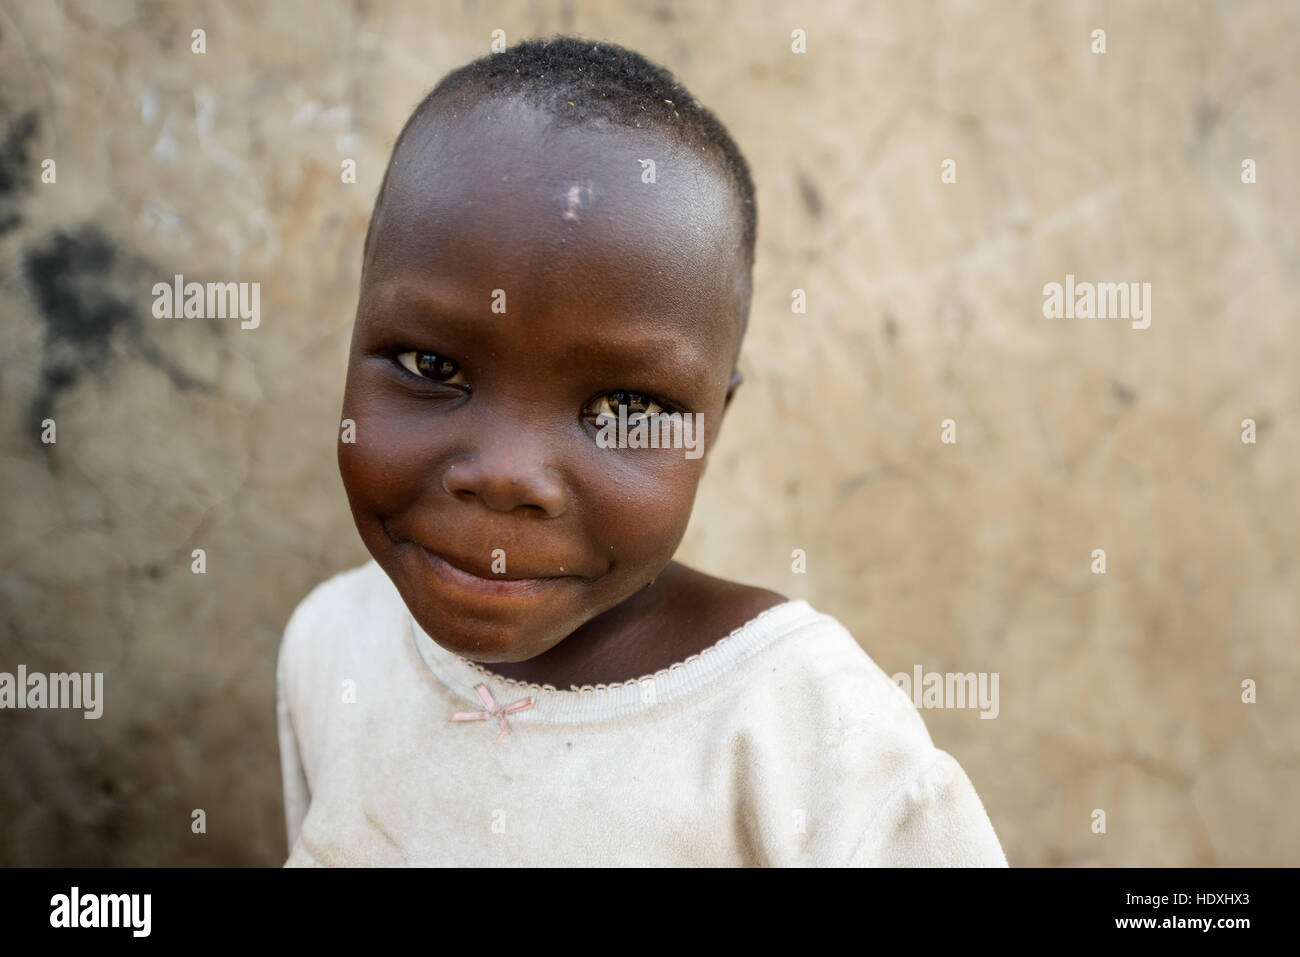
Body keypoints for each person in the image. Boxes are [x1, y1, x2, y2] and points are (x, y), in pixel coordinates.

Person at [277, 35, 1008, 866]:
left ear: (712, 426)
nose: (508, 475)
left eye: (627, 405)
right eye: (432, 367)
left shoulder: (809, 738)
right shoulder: (332, 644)